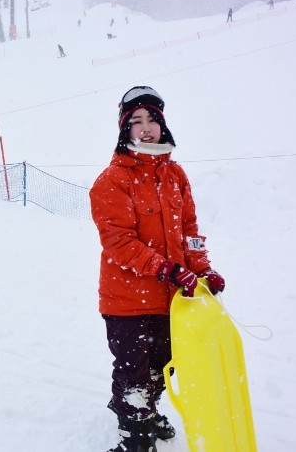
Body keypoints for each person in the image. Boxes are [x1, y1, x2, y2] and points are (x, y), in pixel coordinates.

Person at [89, 86, 226, 452]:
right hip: (127, 302)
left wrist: (202, 269)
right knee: (134, 374)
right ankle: (135, 439)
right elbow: (118, 241)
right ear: (124, 129)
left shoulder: (176, 176)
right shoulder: (112, 181)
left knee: (161, 369)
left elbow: (190, 232)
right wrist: (166, 268)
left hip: (171, 300)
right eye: (136, 121)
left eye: (152, 119)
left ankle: (143, 410)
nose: (146, 128)